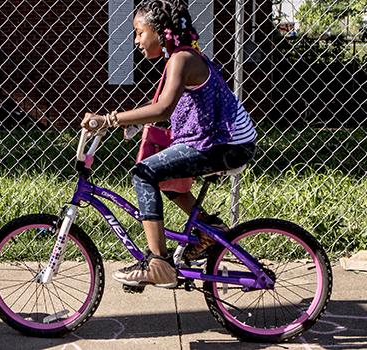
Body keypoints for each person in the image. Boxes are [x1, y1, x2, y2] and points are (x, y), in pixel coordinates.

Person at [81, 0, 257, 288]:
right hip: (223, 140)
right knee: (165, 177)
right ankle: (210, 229)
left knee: (144, 172)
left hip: (226, 144)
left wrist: (110, 119)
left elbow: (164, 108)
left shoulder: (181, 59)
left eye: (139, 32)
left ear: (161, 33)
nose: (136, 40)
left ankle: (158, 263)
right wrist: (131, 122)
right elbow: (169, 107)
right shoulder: (181, 57)